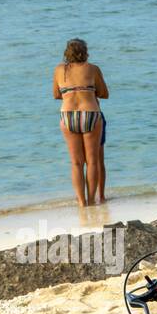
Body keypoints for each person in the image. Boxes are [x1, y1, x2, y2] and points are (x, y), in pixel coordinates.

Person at [52, 38, 109, 208]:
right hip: (90, 113)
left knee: (76, 162)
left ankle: (82, 203)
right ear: (85, 52)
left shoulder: (59, 70)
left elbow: (56, 94)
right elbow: (104, 93)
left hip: (68, 115)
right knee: (92, 161)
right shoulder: (93, 69)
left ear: (66, 53)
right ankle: (92, 201)